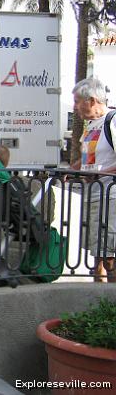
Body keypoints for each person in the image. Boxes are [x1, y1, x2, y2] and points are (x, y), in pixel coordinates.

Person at [71, 77, 116, 283]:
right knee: (97, 254)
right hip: (94, 198)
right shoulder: (90, 126)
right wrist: (70, 170)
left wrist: (101, 174)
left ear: (91, 100)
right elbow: (87, 159)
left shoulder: (112, 121)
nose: (75, 107)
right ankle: (99, 298)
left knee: (109, 255)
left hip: (110, 198)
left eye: (77, 101)